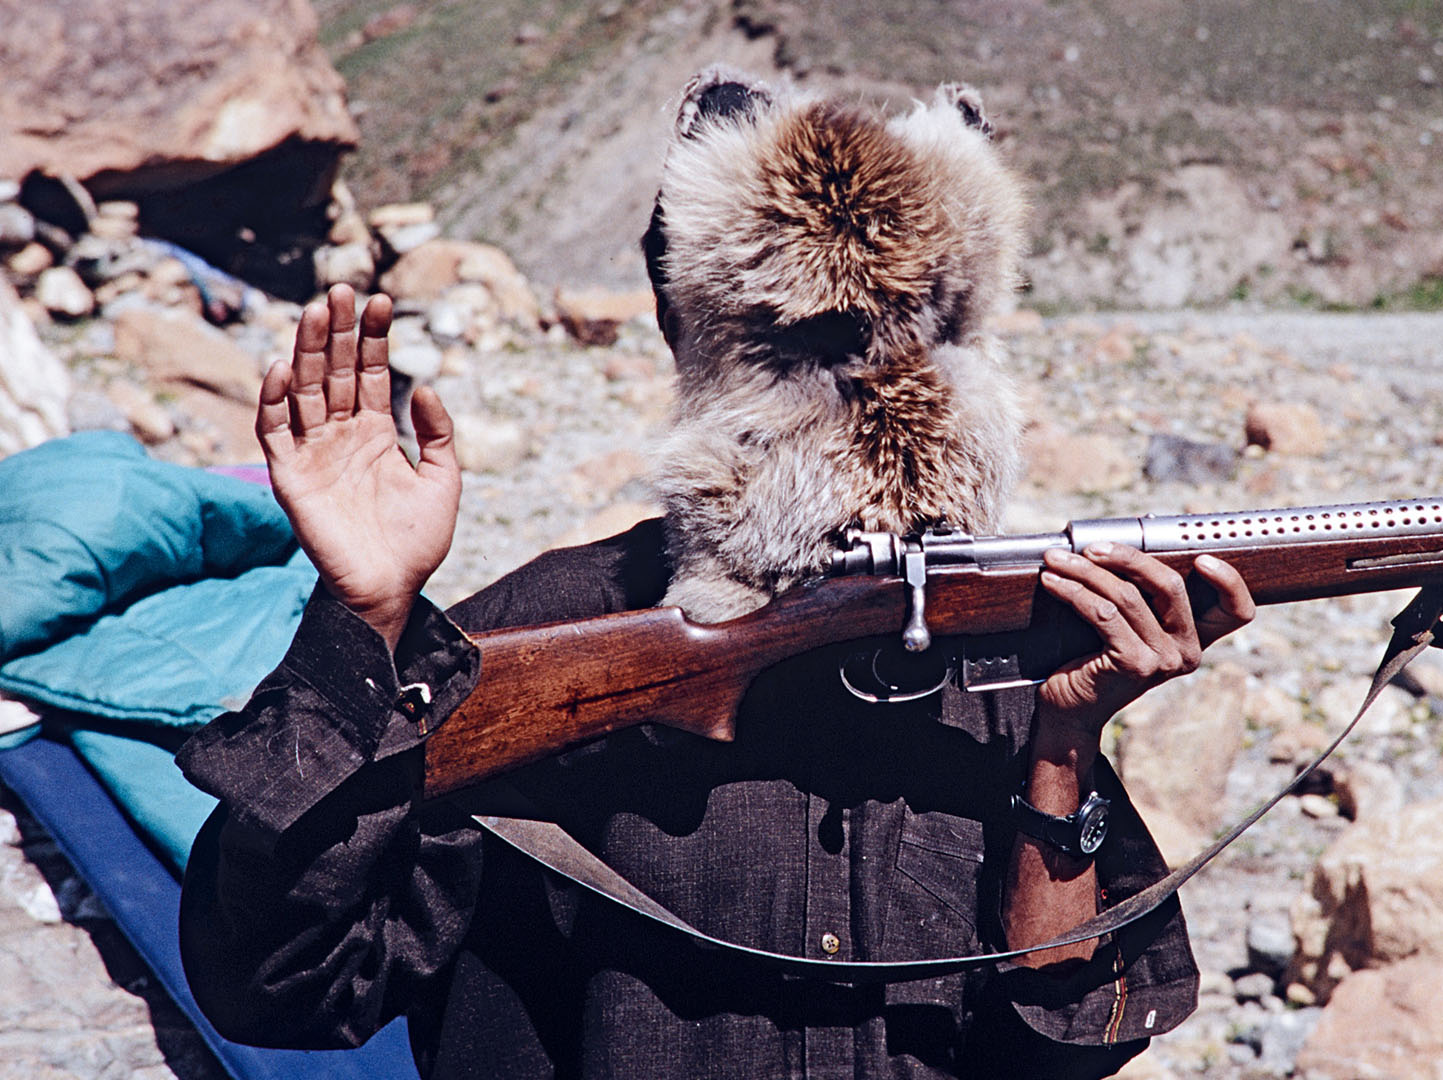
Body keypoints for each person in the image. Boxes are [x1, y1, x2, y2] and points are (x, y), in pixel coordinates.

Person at [176, 284, 1257, 1079]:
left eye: (909, 338)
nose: (862, 387)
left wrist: (1064, 741)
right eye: (809, 345)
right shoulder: (556, 634)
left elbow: (1067, 1039)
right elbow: (281, 989)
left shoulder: (992, 663)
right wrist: (365, 623)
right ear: (702, 345)